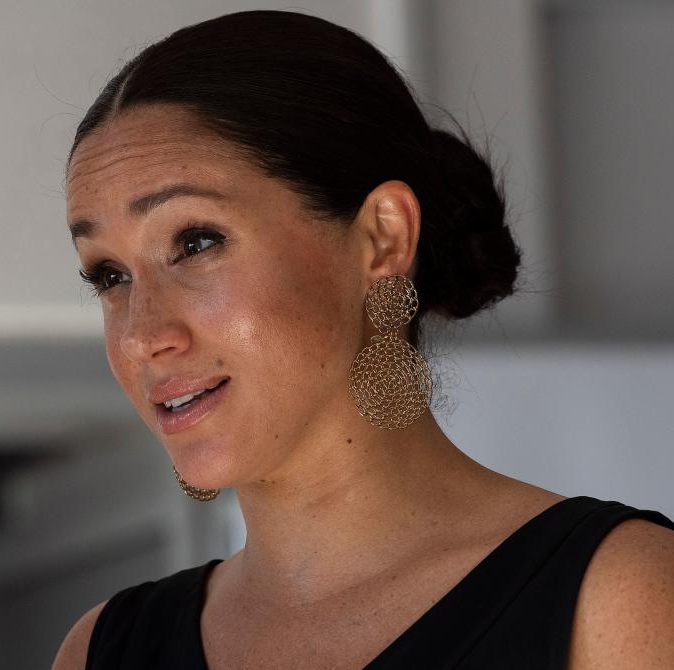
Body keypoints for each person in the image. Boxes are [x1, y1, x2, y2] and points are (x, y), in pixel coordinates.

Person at [52, 9, 674, 669]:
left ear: (382, 238)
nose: (144, 335)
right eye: (109, 275)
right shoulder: (104, 650)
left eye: (196, 242)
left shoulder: (620, 599)